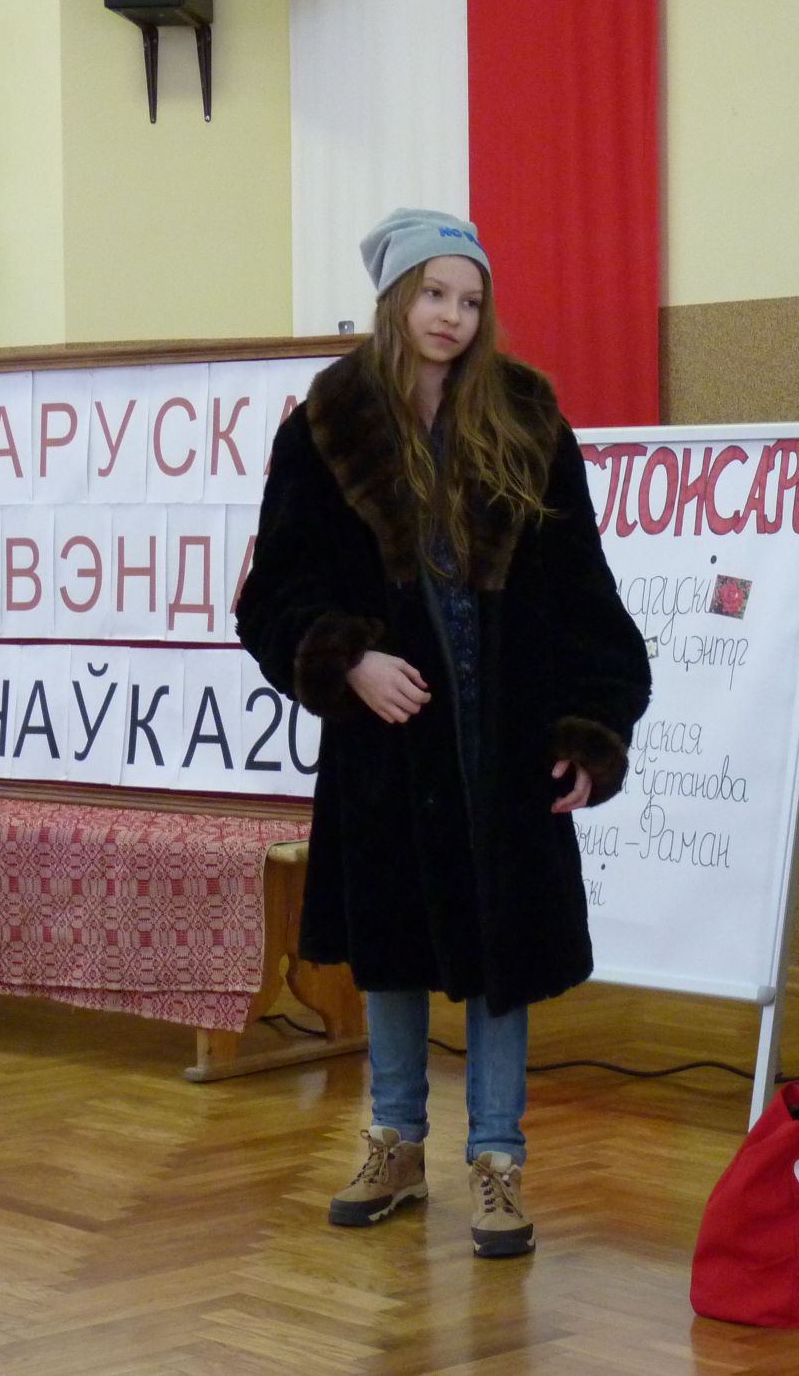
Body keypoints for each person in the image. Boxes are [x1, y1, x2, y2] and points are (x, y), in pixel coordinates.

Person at [235, 207, 651, 1260]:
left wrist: (589, 729)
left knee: (502, 948)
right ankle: (395, 1145)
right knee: (391, 947)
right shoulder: (325, 426)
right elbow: (273, 593)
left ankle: (498, 1162)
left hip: (505, 741)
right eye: (433, 293)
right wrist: (348, 662)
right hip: (391, 742)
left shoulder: (527, 419)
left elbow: (583, 596)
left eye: (469, 300)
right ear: (394, 298)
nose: (451, 316)